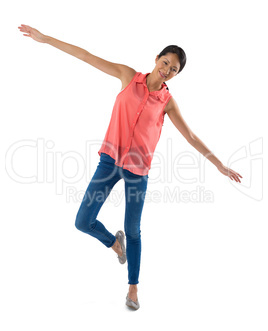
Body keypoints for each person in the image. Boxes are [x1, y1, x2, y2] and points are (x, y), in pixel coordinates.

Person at [18, 24, 243, 310]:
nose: (167, 70)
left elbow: (191, 136)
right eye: (165, 62)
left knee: (133, 230)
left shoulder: (168, 103)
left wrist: (219, 165)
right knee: (82, 221)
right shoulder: (127, 76)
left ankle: (133, 287)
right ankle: (113, 243)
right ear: (156, 59)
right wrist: (46, 39)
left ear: (176, 74)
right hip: (109, 162)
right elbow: (87, 56)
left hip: (138, 172)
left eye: (174, 69)